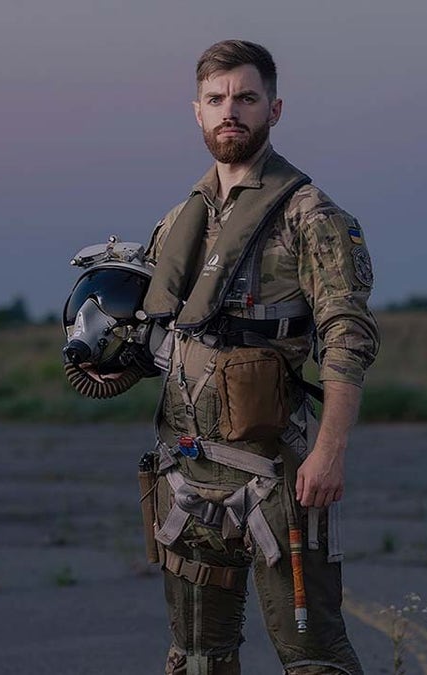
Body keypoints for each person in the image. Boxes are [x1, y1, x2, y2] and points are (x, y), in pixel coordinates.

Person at [140, 40, 379, 675]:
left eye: (246, 98)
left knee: (315, 658)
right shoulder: (177, 225)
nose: (230, 112)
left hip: (277, 471)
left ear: (274, 109)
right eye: (216, 99)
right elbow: (157, 335)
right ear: (196, 111)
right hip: (187, 471)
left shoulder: (312, 216)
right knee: (196, 658)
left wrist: (331, 450)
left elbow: (348, 335)